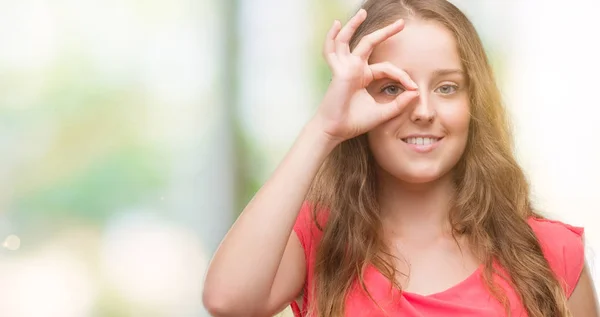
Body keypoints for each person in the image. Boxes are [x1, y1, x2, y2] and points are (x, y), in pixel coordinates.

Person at [203, 0, 599, 316]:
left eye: (446, 88)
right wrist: (325, 127)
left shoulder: (550, 251)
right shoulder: (319, 238)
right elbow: (228, 302)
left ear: (473, 102)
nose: (423, 110)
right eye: (392, 88)